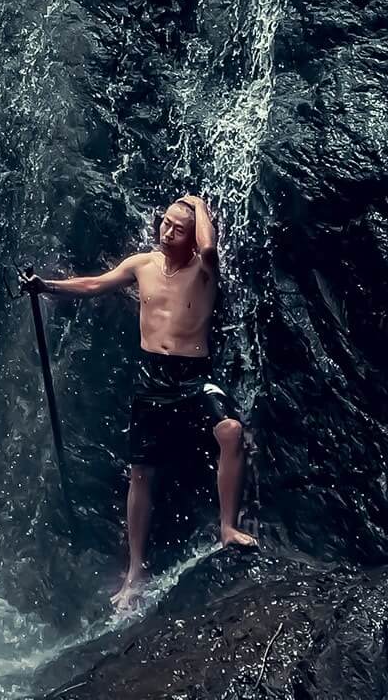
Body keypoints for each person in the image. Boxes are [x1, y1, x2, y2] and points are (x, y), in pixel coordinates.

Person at [24, 194, 256, 612]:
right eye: (165, 224)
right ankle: (135, 573)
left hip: (194, 376)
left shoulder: (204, 269)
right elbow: (95, 284)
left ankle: (227, 527)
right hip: (153, 377)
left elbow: (208, 247)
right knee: (141, 473)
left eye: (178, 228)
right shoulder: (142, 264)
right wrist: (45, 286)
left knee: (231, 430)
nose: (167, 232)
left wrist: (198, 205)